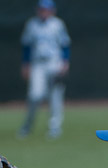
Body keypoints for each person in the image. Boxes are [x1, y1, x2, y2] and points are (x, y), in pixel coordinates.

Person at [17, 0, 70, 139]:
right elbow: (26, 46)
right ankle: (27, 126)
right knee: (35, 95)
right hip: (37, 64)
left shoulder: (57, 24)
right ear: (38, 10)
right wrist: (25, 64)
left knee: (55, 96)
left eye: (47, 9)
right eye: (42, 9)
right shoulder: (32, 24)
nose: (44, 11)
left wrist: (65, 62)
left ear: (52, 10)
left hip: (54, 63)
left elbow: (65, 45)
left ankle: (54, 128)